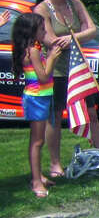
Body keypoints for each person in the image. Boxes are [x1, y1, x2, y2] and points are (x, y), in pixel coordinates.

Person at [34, 0, 99, 174]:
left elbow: (92, 30)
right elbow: (50, 40)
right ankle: (55, 164)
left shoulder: (76, 4)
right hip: (56, 70)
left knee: (91, 113)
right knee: (54, 116)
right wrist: (73, 38)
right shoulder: (42, 10)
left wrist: (72, 38)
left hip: (79, 68)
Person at [12, 12, 62, 198]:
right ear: (32, 31)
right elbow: (43, 77)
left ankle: (38, 175)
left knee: (37, 141)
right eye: (42, 29)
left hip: (41, 97)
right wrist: (52, 58)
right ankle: (35, 181)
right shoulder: (32, 50)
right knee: (37, 141)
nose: (44, 32)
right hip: (36, 98)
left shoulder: (34, 47)